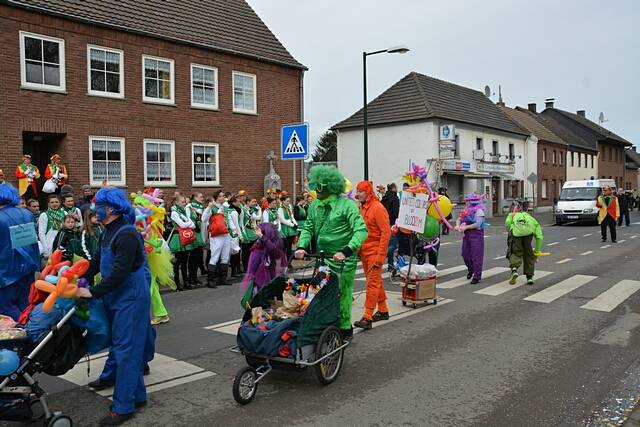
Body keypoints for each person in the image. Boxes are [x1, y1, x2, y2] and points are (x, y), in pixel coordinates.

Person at [76, 188, 155, 426]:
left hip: (130, 297)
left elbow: (120, 271)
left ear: (110, 208)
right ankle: (137, 396)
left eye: (98, 205)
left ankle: (123, 406)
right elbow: (97, 261)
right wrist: (82, 279)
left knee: (126, 350)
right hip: (116, 296)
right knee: (125, 347)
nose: (94, 209)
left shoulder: (128, 234)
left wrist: (93, 291)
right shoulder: (107, 232)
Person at [295, 166, 368, 339]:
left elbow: (361, 230)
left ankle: (344, 328)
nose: (314, 191)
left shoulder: (347, 205)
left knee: (343, 294)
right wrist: (302, 246)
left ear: (329, 187)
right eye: (313, 187)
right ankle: (324, 324)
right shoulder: (315, 206)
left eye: (317, 187)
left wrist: (346, 251)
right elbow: (308, 227)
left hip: (343, 260)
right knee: (320, 292)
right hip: (323, 257)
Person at [353, 180, 391, 331]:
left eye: (360, 191)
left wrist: (380, 256)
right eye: (357, 190)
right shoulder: (362, 208)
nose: (357, 194)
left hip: (375, 252)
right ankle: (383, 310)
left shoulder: (378, 208)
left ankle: (367, 317)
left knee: (372, 284)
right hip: (365, 251)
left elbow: (386, 233)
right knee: (375, 281)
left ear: (368, 192)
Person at [0, 184, 40, 321]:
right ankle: (32, 332)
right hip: (27, 267)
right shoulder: (27, 214)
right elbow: (32, 242)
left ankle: (25, 332)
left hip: (5, 272)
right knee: (25, 304)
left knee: (5, 308)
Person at [240, 223, 287, 296]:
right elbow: (253, 264)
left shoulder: (273, 244)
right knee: (261, 295)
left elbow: (273, 250)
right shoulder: (259, 246)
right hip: (261, 275)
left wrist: (262, 237)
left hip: (271, 273)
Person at [505, 203, 544, 286]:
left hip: (516, 235)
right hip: (528, 235)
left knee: (515, 252)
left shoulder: (512, 215)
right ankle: (529, 277)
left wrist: (510, 230)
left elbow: (508, 223)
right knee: (529, 254)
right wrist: (537, 251)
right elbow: (539, 236)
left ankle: (514, 270)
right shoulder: (531, 218)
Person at [455, 193, 487, 284]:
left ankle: (477, 276)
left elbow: (478, 224)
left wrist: (465, 227)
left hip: (477, 235)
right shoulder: (466, 210)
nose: (466, 202)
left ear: (472, 201)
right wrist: (457, 225)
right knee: (465, 255)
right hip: (466, 236)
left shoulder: (479, 211)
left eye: (467, 201)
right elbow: (459, 219)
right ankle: (471, 269)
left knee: (476, 256)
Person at [202, 190, 232, 287]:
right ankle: (210, 280)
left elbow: (229, 220)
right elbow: (203, 219)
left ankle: (222, 278)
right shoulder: (212, 207)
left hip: (226, 234)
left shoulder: (225, 208)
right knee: (215, 256)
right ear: (216, 198)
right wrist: (208, 208)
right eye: (221, 196)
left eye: (223, 196)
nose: (223, 198)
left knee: (225, 256)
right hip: (216, 235)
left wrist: (234, 231)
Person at [168, 194, 197, 290]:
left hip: (185, 236)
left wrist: (187, 224)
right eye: (182, 202)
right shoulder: (174, 213)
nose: (184, 204)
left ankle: (186, 282)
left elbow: (192, 225)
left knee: (185, 262)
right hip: (177, 238)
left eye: (185, 202)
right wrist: (188, 224)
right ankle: (177, 283)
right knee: (177, 263)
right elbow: (183, 225)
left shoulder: (184, 212)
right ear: (176, 202)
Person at [186, 192, 207, 282]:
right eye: (201, 197)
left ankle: (195, 277)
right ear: (195, 197)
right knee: (193, 257)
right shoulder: (189, 207)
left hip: (199, 233)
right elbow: (188, 219)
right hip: (192, 233)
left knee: (198, 256)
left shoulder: (201, 207)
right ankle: (191, 277)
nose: (202, 198)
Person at [240, 197, 261, 272]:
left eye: (255, 201)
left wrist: (259, 209)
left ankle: (252, 266)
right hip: (246, 231)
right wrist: (243, 234)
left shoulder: (253, 210)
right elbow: (241, 223)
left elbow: (257, 219)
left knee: (253, 251)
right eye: (253, 201)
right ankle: (245, 267)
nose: (255, 203)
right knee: (246, 251)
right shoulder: (243, 210)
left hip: (253, 232)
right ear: (248, 202)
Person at [381, 183, 400, 271]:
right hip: (392, 223)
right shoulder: (395, 198)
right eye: (396, 187)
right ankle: (391, 265)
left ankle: (390, 264)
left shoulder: (384, 198)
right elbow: (396, 212)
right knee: (393, 245)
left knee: (388, 245)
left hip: (384, 223)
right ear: (393, 188)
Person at [278, 194, 298, 261]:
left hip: (290, 228)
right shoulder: (280, 209)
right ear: (283, 201)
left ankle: (289, 261)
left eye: (289, 201)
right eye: (287, 201)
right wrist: (292, 225)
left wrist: (295, 224)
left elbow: (292, 217)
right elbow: (282, 220)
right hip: (285, 229)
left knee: (291, 245)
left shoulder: (289, 207)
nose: (288, 202)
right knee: (286, 246)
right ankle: (284, 261)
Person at [228, 195, 243, 278]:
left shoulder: (230, 209)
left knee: (235, 252)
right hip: (234, 234)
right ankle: (234, 271)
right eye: (238, 202)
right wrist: (241, 236)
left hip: (232, 233)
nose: (240, 203)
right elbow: (236, 225)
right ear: (234, 202)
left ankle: (236, 269)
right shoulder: (234, 212)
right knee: (236, 253)